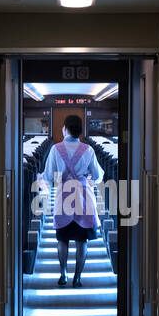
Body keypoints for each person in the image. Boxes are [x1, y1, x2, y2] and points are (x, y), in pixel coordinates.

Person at [38, 114, 104, 287]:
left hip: (63, 195)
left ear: (65, 127)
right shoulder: (88, 150)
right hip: (83, 197)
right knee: (82, 240)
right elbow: (97, 176)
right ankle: (78, 278)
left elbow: (48, 175)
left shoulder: (55, 149)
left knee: (62, 238)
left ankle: (63, 274)